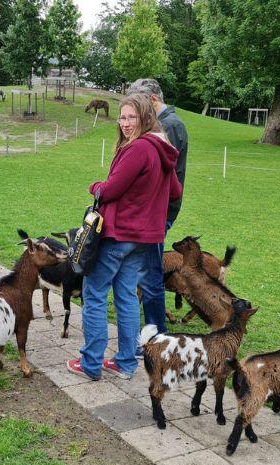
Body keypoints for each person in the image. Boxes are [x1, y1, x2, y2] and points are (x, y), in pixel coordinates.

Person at [67, 94, 181, 380]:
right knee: (127, 296)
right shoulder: (162, 148)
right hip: (145, 239)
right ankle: (126, 363)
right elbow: (175, 192)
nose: (126, 123)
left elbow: (111, 190)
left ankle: (91, 363)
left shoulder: (139, 149)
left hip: (119, 235)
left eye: (132, 117)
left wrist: (96, 186)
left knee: (93, 295)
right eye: (123, 117)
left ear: (146, 118)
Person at [126, 78, 189, 348]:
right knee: (146, 273)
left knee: (151, 276)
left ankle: (157, 340)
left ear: (152, 100)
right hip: (152, 212)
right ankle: (155, 334)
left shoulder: (170, 126)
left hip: (157, 214)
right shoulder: (165, 124)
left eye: (140, 108)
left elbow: (161, 176)